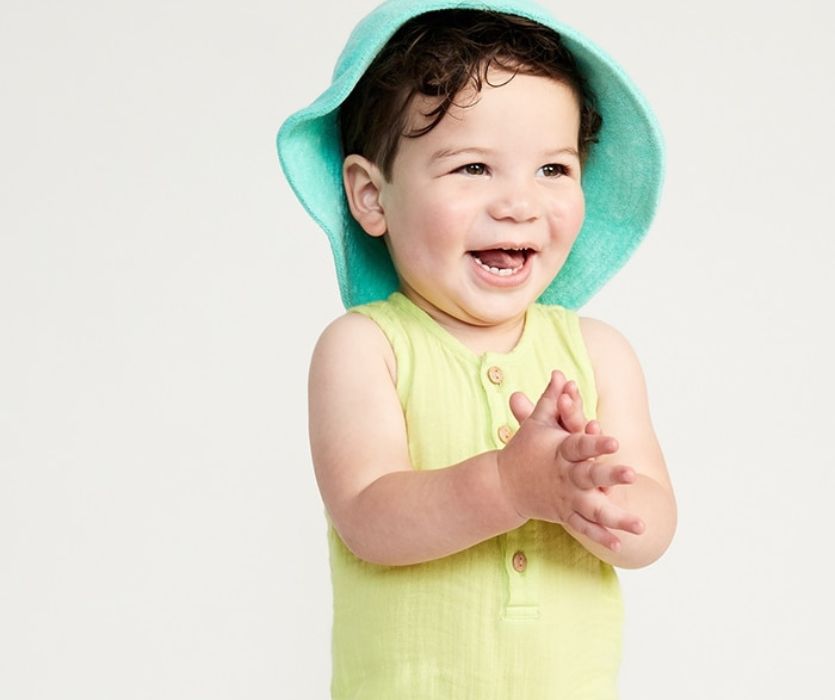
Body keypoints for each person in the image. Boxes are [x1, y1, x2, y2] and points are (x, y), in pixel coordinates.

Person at [277, 0, 677, 697]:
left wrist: (591, 497)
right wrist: (509, 485)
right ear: (371, 197)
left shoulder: (597, 354)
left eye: (552, 170)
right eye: (472, 169)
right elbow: (370, 519)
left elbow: (651, 527)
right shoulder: (366, 348)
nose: (519, 204)